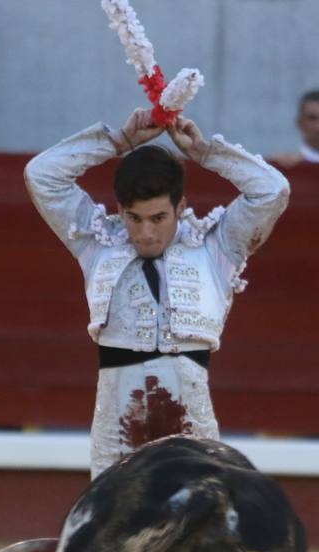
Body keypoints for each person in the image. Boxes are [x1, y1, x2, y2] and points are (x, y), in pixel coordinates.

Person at [24, 108, 291, 478]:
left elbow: (272, 191)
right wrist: (119, 141)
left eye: (158, 218)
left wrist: (205, 153)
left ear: (180, 208)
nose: (146, 233)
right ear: (120, 210)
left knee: (205, 528)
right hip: (117, 429)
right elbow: (42, 175)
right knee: (108, 532)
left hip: (191, 426)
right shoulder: (97, 242)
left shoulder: (217, 248)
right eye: (134, 218)